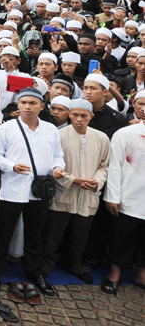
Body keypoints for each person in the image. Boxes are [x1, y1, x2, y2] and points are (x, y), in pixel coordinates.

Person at [0, 87, 65, 297]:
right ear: (18, 105)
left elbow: (58, 155)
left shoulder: (50, 129)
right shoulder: (6, 128)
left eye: (32, 103)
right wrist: (12, 166)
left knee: (35, 234)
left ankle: (35, 272)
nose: (27, 107)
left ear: (42, 106)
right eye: (23, 103)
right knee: (2, 233)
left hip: (39, 190)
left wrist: (58, 167)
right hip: (13, 188)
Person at [44, 99, 110, 285]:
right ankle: (46, 265)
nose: (79, 119)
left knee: (81, 234)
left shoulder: (102, 138)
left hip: (88, 194)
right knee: (53, 234)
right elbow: (51, 164)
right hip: (64, 192)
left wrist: (96, 181)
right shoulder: (59, 135)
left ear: (91, 116)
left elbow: (104, 166)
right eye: (75, 114)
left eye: (83, 115)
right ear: (69, 114)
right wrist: (72, 179)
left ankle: (74, 264)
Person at [102, 113, 145, 295]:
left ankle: (142, 274)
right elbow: (114, 165)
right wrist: (112, 196)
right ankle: (115, 273)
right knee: (121, 237)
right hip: (128, 195)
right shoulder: (126, 133)